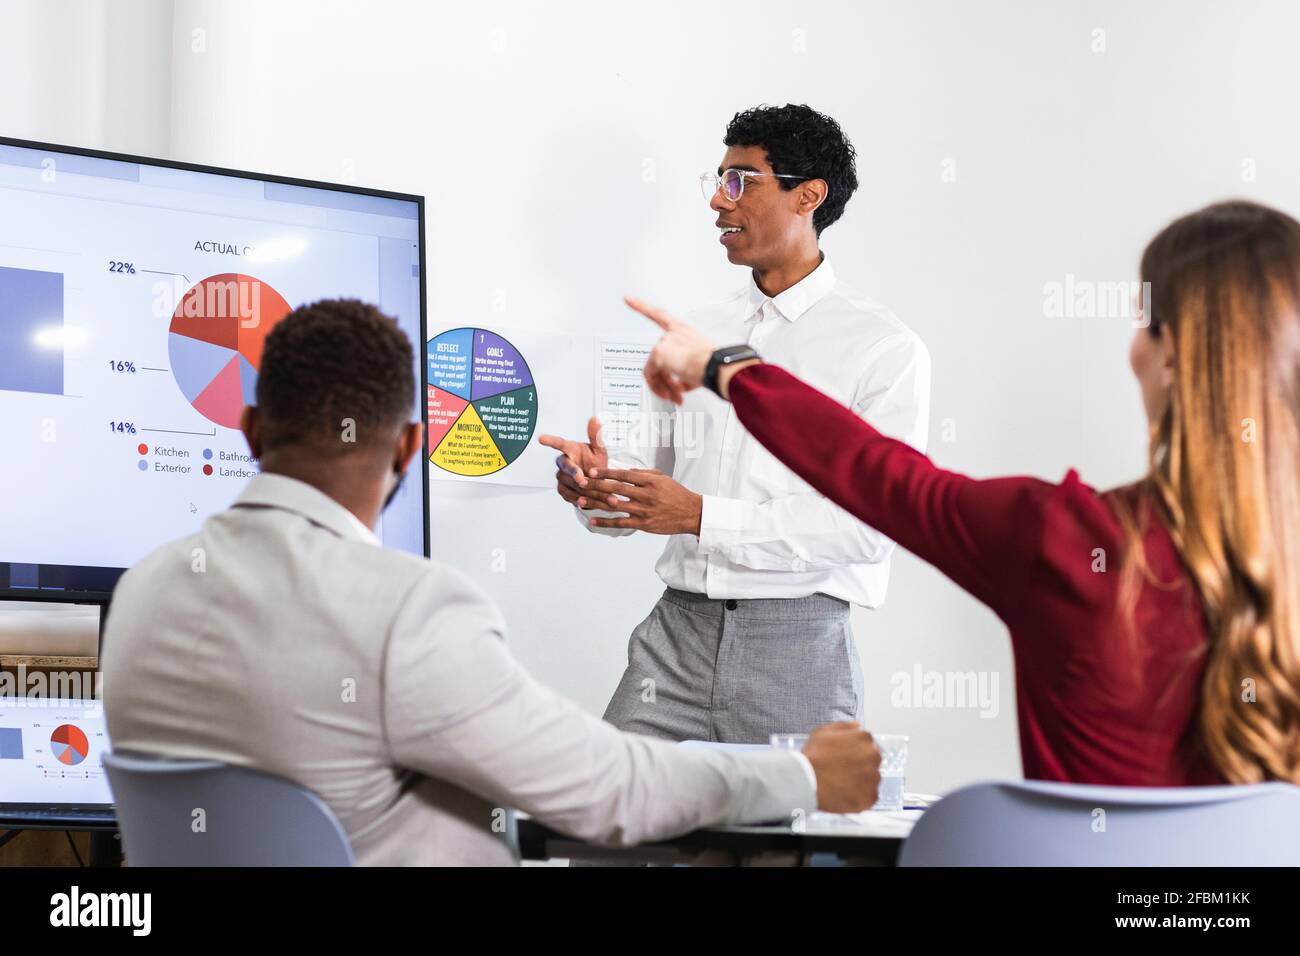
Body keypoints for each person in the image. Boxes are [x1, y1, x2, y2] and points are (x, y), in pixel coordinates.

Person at [101, 298, 882, 866]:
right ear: (410, 448)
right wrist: (804, 775)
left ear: (249, 430)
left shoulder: (142, 592)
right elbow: (610, 791)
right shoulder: (407, 609)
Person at [624, 199, 1300, 786]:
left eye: (1139, 321)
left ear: (1170, 353)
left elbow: (874, 473)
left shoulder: (1062, 541)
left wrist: (726, 367)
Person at [539, 105, 930, 744]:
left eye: (742, 181)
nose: (719, 203)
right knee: (607, 829)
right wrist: (597, 487)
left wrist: (698, 515)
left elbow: (870, 528)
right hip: (674, 640)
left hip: (798, 649)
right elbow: (642, 489)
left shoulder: (883, 348)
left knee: (790, 845)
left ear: (809, 196)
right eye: (718, 180)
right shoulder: (694, 334)